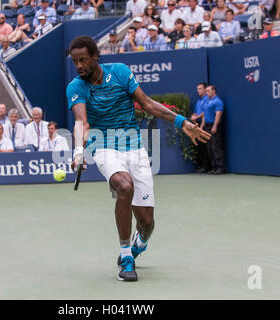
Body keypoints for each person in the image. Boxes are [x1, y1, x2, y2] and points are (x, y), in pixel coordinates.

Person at [67, 36, 210, 282]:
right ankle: (126, 257)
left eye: (83, 60)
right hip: (104, 147)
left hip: (134, 148)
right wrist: (79, 152)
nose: (79, 66)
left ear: (95, 57)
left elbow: (147, 104)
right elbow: (82, 121)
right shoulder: (76, 87)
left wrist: (182, 121)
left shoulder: (120, 72)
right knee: (125, 186)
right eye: (74, 61)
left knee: (147, 222)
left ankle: (139, 243)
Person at [200, 85, 225, 174]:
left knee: (216, 147)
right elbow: (204, 115)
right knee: (209, 147)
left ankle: (220, 167)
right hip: (206, 126)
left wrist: (215, 126)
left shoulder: (218, 101)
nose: (206, 93)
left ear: (214, 91)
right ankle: (213, 167)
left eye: (208, 91)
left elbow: (218, 114)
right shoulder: (206, 101)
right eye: (206, 91)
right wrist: (201, 127)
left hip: (214, 126)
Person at [190, 83, 211, 173]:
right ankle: (202, 166)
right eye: (197, 89)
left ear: (205, 89)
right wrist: (193, 117)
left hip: (204, 124)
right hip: (197, 124)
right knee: (199, 147)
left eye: (200, 89)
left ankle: (207, 167)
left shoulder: (207, 100)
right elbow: (195, 112)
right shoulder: (199, 101)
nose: (198, 90)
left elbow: (205, 113)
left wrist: (197, 117)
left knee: (205, 146)